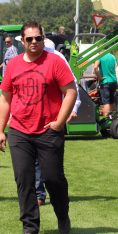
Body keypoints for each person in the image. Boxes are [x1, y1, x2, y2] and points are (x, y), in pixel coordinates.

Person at [0, 20, 77, 234]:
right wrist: (0, 130)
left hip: (48, 130)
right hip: (19, 131)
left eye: (38, 38)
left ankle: (62, 214)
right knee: (24, 180)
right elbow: (5, 99)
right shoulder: (13, 65)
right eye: (29, 39)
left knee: (53, 178)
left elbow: (71, 91)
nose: (34, 42)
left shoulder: (55, 62)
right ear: (22, 41)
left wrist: (59, 123)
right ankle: (30, 227)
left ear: (43, 39)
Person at [34, 38, 81, 207]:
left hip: (55, 116)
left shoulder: (58, 59)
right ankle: (39, 194)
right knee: (35, 160)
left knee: (51, 162)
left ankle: (55, 195)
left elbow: (72, 85)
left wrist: (73, 108)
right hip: (34, 117)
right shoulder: (28, 59)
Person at [94, 51, 118, 115]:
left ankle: (106, 119)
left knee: (106, 103)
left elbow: (95, 67)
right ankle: (114, 118)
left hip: (105, 82)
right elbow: (117, 66)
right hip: (113, 81)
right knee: (112, 101)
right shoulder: (112, 56)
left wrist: (99, 78)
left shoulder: (100, 56)